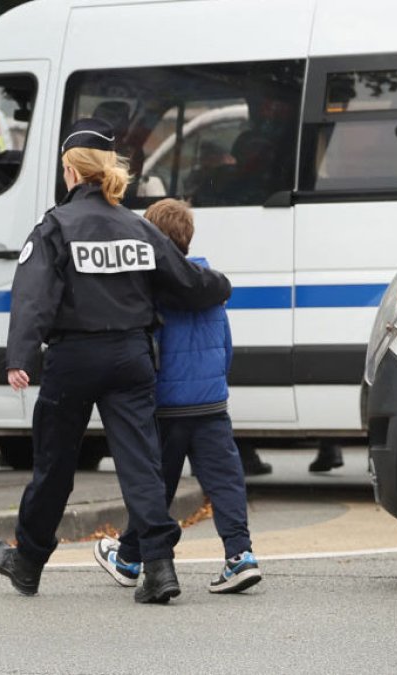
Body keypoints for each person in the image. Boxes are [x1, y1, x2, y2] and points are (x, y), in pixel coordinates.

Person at [0, 118, 231, 604]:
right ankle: (159, 568)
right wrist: (220, 287)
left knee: (54, 466)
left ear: (73, 174)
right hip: (130, 359)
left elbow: (31, 298)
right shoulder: (137, 227)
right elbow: (185, 281)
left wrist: (20, 356)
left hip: (72, 360)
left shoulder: (54, 227)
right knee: (140, 463)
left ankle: (28, 563)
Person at [93, 198, 262, 595]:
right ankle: (240, 556)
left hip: (167, 407)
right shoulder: (209, 282)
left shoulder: (150, 290)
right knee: (225, 482)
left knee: (154, 487)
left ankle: (131, 556)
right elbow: (226, 345)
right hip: (211, 403)